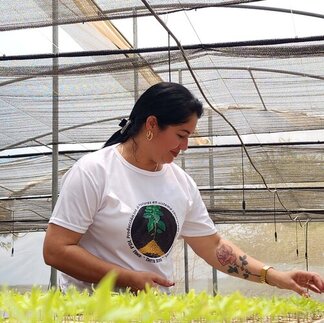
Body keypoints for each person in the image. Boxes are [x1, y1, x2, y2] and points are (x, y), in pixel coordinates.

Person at [43, 82, 324, 296]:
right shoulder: (95, 171)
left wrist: (274, 275)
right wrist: (126, 277)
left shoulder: (180, 183)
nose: (185, 146)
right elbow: (56, 249)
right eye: (180, 135)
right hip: (93, 312)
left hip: (156, 312)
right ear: (151, 125)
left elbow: (214, 248)